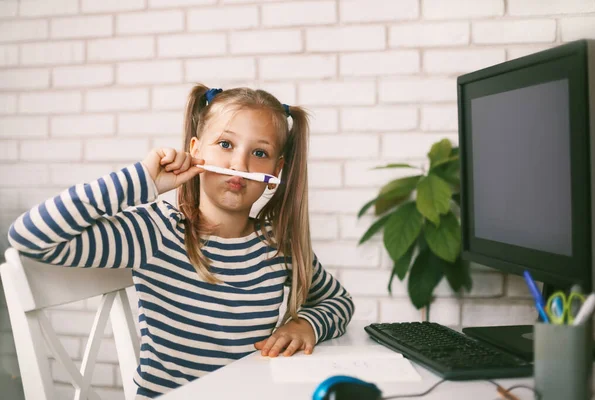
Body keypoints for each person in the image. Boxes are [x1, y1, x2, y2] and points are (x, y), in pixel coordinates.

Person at [7, 85, 354, 398]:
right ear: (195, 150)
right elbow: (30, 236)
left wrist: (306, 323)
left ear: (275, 171)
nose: (239, 163)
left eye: (259, 153)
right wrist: (142, 180)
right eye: (226, 145)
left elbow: (338, 301)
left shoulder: (280, 247)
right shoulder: (155, 232)